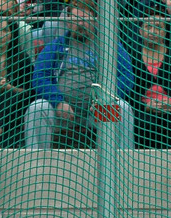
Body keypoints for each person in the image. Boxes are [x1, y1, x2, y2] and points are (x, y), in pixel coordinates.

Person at [23, 0, 136, 149]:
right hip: (63, 113)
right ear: (69, 22)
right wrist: (58, 102)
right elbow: (39, 77)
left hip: (97, 113)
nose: (80, 24)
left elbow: (127, 76)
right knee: (37, 108)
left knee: (123, 109)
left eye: (85, 19)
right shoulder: (57, 46)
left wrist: (104, 98)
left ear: (95, 20)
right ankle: (35, 166)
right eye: (76, 20)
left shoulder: (108, 45)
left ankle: (124, 167)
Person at [126, 2, 171, 148]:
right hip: (143, 108)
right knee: (142, 122)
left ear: (165, 31)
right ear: (140, 31)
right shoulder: (131, 57)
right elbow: (129, 91)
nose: (153, 31)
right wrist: (145, 106)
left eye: (159, 27)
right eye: (148, 27)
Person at [0, 15, 34, 148]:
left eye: (4, 30)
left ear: (11, 34)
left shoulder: (22, 59)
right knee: (1, 96)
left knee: (6, 95)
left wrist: (9, 88)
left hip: (16, 110)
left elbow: (29, 93)